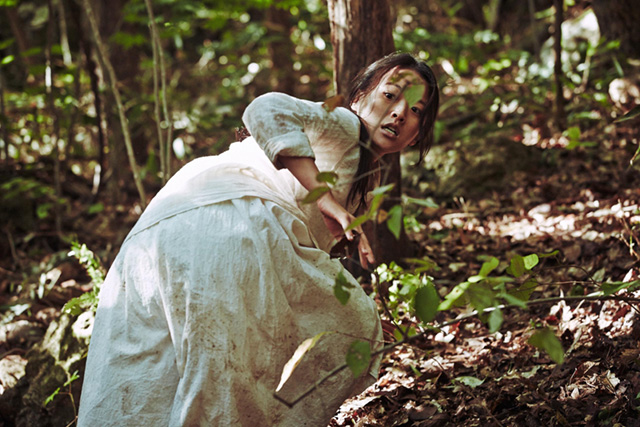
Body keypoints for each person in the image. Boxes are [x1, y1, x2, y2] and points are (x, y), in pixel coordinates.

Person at [77, 52, 439, 426]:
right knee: (238, 374)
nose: (399, 113)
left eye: (415, 110)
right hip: (227, 223)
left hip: (167, 227)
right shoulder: (347, 126)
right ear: (361, 96)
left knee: (155, 373)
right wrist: (326, 198)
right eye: (391, 95)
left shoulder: (363, 171)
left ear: (417, 134)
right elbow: (265, 108)